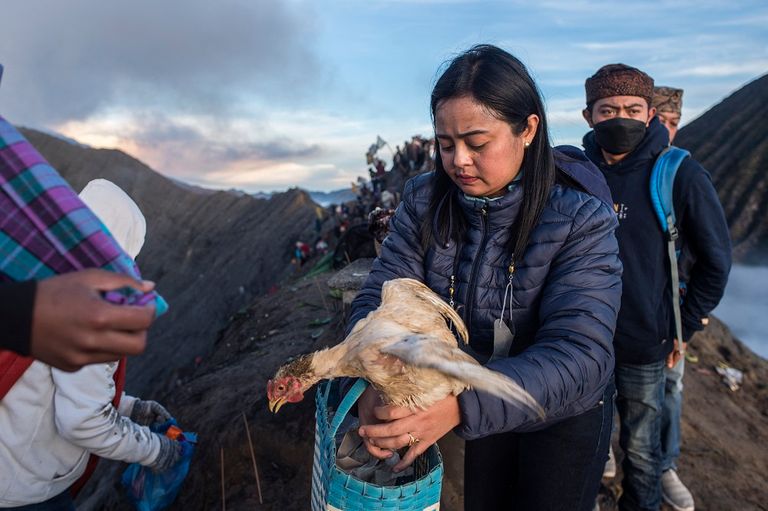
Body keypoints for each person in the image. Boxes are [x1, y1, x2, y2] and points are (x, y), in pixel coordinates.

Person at [350, 45, 623, 511]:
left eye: (477, 143)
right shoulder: (424, 202)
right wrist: (377, 377)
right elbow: (383, 294)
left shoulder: (580, 220)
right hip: (475, 399)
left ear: (528, 130)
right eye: (445, 143)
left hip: (560, 413)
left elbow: (580, 353)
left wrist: (462, 407)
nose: (458, 161)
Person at [581, 65, 731, 511]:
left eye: (631, 109)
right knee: (585, 445)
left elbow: (715, 260)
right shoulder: (575, 169)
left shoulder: (679, 173)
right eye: (608, 109)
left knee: (643, 453)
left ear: (650, 114)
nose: (620, 118)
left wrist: (683, 327)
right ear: (588, 115)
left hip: (646, 344)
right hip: (581, 344)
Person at [0, 179, 182, 509]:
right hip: (25, 490)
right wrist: (157, 450)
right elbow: (83, 422)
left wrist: (128, 407)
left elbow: (41, 384)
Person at [651, 85, 697, 511]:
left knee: (671, 386)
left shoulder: (681, 174)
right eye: (658, 121)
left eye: (672, 123)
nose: (666, 130)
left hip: (672, 310)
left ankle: (665, 465)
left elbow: (708, 254)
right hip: (624, 307)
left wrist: (690, 322)